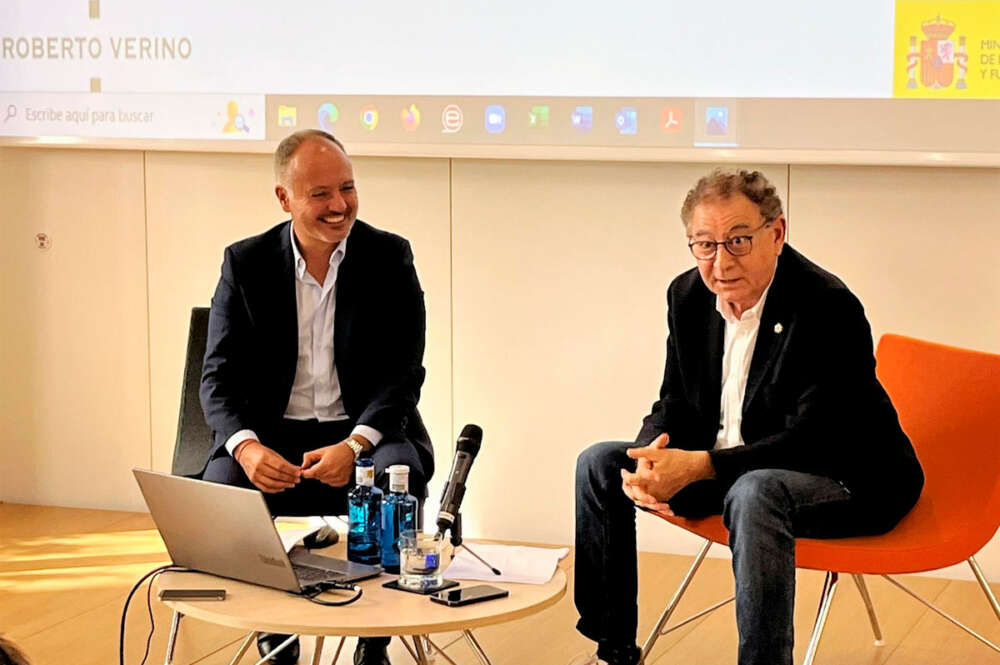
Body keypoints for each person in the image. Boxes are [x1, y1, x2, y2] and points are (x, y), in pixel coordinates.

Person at [572, 169, 924, 665]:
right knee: (600, 463)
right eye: (705, 244)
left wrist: (700, 468)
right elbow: (674, 399)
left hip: (847, 477)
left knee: (755, 491)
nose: (720, 262)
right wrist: (652, 453)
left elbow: (812, 440)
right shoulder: (687, 296)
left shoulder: (827, 306)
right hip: (733, 466)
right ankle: (614, 650)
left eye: (738, 240)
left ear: (776, 233)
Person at [200, 129, 433, 665]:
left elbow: (403, 373)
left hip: (365, 430)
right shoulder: (246, 262)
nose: (340, 205)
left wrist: (354, 445)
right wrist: (246, 447)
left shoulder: (389, 257)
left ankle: (374, 639)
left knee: (401, 476)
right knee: (225, 489)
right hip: (271, 435)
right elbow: (217, 378)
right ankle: (273, 633)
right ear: (284, 199)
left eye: (347, 188)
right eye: (320, 194)